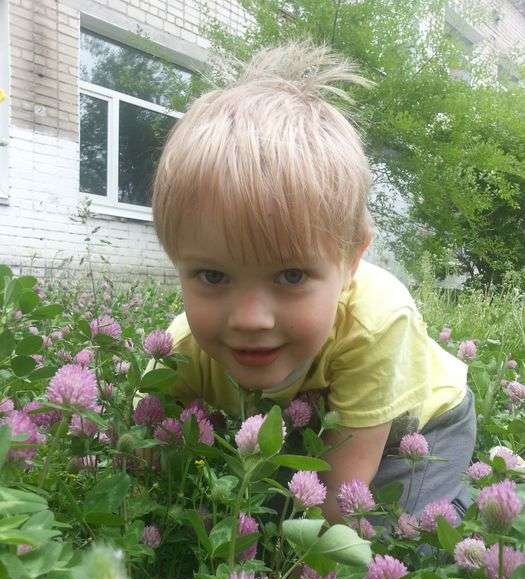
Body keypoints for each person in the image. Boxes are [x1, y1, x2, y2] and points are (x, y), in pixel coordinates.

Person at [150, 40, 476, 524]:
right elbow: (143, 444)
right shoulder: (180, 348)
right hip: (319, 425)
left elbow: (336, 502)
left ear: (351, 260)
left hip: (415, 427)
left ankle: (465, 493)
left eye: (291, 275)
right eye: (213, 275)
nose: (250, 320)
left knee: (386, 533)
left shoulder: (376, 324)